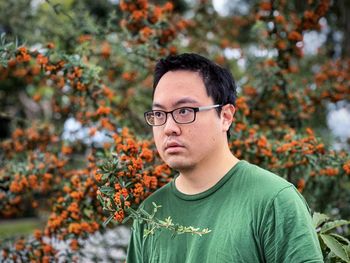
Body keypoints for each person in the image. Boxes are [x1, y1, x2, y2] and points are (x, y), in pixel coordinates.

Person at [126, 53, 323, 262]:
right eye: (159, 114)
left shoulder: (274, 200)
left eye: (184, 111)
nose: (169, 128)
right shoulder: (149, 213)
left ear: (226, 117)